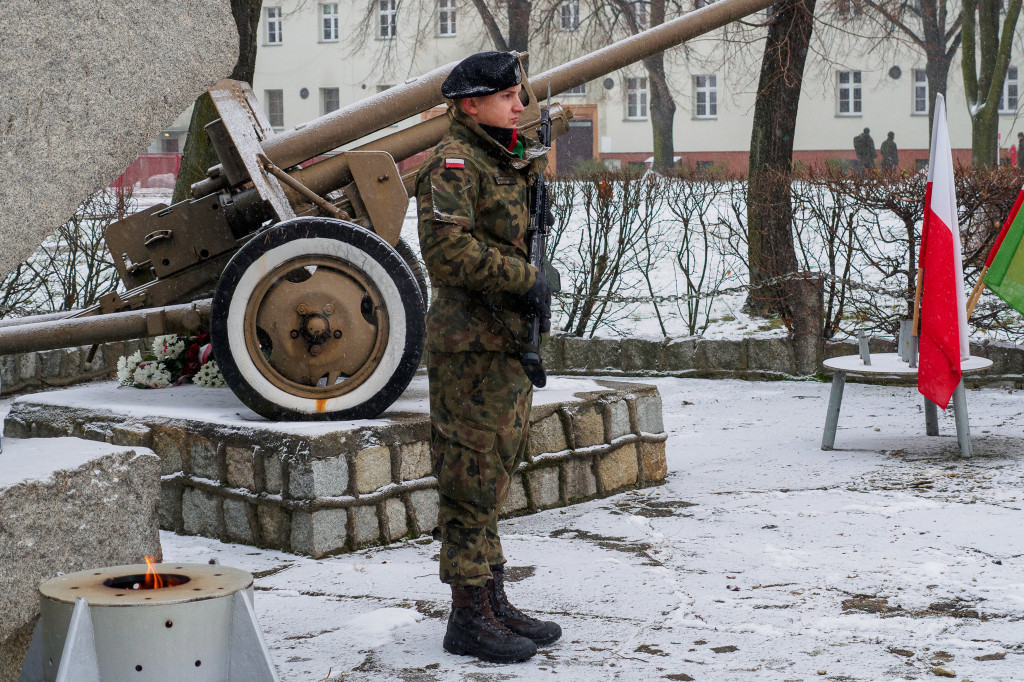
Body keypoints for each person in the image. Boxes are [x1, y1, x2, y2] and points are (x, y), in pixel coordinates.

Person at [414, 51, 561, 664]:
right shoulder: (452, 164)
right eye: (507, 97)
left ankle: (491, 597)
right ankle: (467, 614)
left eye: (520, 95)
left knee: (495, 470)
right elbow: (447, 253)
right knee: (469, 478)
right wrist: (526, 276)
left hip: (500, 341)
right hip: (470, 344)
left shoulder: (498, 159)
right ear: (471, 103)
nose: (519, 105)